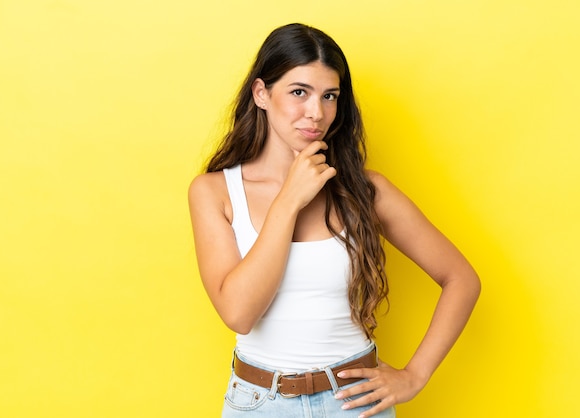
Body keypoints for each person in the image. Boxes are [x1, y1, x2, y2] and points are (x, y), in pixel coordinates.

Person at [188, 23, 481, 418]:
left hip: (355, 403)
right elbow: (239, 314)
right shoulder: (214, 192)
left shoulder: (365, 190)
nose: (317, 112)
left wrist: (414, 376)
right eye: (299, 92)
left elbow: (461, 279)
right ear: (261, 93)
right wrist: (289, 200)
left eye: (330, 96)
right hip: (259, 404)